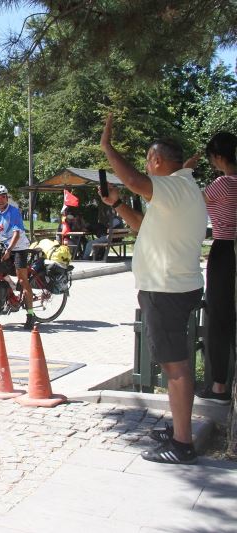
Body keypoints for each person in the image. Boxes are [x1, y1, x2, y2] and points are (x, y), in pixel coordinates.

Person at [100, 113, 206, 464]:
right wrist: (116, 204)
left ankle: (182, 444)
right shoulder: (180, 189)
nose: (146, 165)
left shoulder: (174, 186)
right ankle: (179, 427)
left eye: (148, 159)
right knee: (174, 364)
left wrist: (108, 147)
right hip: (171, 289)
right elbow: (143, 227)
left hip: (167, 291)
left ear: (156, 160)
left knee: (176, 368)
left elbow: (132, 180)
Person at [186, 132, 237, 404]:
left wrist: (185, 172)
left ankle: (218, 386)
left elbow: (191, 202)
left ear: (218, 157)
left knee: (218, 318)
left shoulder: (223, 184)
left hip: (225, 250)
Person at [0, 184, 35, 330]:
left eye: (3, 197)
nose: (0, 200)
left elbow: (16, 233)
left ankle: (30, 314)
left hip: (19, 247)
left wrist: (9, 250)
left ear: (7, 197)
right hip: (6, 247)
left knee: (23, 280)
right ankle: (11, 296)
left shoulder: (14, 212)